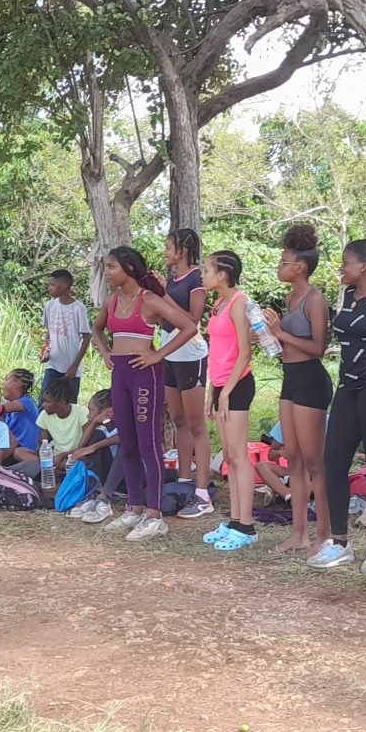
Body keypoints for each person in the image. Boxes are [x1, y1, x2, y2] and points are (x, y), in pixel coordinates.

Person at [87, 245, 198, 542]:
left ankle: (154, 514)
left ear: (129, 269)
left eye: (112, 267)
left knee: (148, 443)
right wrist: (105, 352)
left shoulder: (148, 299)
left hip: (144, 374)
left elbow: (188, 327)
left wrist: (158, 354)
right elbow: (96, 329)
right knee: (128, 442)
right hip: (120, 374)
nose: (107, 273)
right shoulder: (111, 300)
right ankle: (134, 508)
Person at [308, 239, 366, 574]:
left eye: (346, 262)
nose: (341, 268)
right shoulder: (349, 296)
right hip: (348, 386)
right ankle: (339, 543)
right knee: (334, 461)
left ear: (364, 266)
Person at [264, 222, 333, 555]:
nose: (280, 267)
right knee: (292, 458)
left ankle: (325, 535)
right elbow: (286, 343)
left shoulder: (314, 300)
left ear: (301, 267)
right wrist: (269, 337)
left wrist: (280, 332)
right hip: (289, 378)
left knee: (313, 462)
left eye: (284, 262)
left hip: (311, 381)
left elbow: (319, 347)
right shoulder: (289, 298)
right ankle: (299, 534)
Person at [200, 250, 260, 552]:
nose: (203, 275)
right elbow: (217, 353)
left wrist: (226, 392)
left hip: (237, 385)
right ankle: (235, 521)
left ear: (222, 274)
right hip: (221, 384)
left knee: (239, 456)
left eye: (207, 270)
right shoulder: (218, 304)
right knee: (229, 457)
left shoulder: (239, 302)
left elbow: (244, 353)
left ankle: (246, 525)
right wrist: (212, 390)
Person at [161, 229, 216, 518]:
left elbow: (192, 320)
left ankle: (202, 492)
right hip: (168, 352)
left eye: (168, 247)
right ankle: (184, 479)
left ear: (182, 251)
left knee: (196, 424)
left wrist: (163, 297)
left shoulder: (196, 278)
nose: (165, 252)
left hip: (190, 355)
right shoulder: (171, 279)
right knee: (178, 418)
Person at [70, 389, 123, 522]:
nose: (88, 415)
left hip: (125, 479)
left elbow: (123, 438)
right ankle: (91, 494)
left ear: (107, 411)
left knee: (96, 443)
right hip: (107, 476)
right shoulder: (101, 429)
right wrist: (93, 423)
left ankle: (102, 497)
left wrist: (94, 447)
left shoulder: (122, 425)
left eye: (91, 411)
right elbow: (81, 447)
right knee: (94, 438)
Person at [38, 377, 91, 495]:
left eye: (47, 401)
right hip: (54, 458)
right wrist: (49, 458)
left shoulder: (81, 413)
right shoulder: (44, 415)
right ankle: (57, 472)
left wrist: (63, 455)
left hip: (76, 456)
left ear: (61, 402)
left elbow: (87, 445)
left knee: (74, 462)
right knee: (20, 452)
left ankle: (61, 473)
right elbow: (43, 444)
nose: (43, 405)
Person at [41, 269, 90, 395]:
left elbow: (87, 337)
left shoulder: (79, 308)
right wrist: (46, 351)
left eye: (52, 285)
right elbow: (49, 332)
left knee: (68, 401)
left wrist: (75, 366)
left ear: (63, 286)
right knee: (45, 399)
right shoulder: (49, 306)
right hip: (52, 364)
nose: (49, 288)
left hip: (70, 367)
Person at [0, 368, 42, 453]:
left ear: (15, 385)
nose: (2, 384)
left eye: (6, 380)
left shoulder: (27, 402)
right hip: (14, 448)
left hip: (24, 450)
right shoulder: (9, 404)